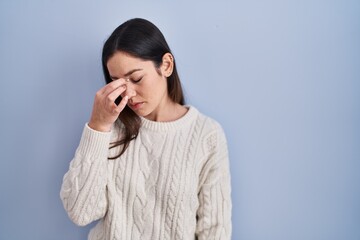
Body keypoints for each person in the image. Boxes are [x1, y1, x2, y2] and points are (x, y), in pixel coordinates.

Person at [60, 18, 232, 240]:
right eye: (118, 83)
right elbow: (80, 212)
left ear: (167, 65)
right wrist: (98, 126)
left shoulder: (207, 135)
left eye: (136, 78)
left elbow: (215, 231)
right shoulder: (110, 130)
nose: (128, 93)